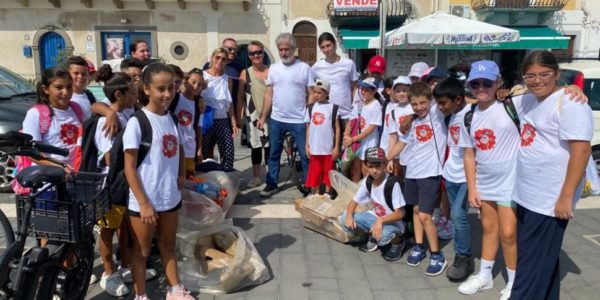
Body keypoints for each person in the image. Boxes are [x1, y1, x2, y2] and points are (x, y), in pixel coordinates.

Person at [510, 51, 592, 300]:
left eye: (544, 74)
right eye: (530, 75)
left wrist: (566, 197)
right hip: (527, 195)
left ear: (557, 73)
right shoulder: (529, 99)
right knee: (541, 262)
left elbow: (582, 149)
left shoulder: (570, 103)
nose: (537, 80)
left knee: (529, 271)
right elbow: (491, 101)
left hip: (548, 200)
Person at [122, 63, 193, 300]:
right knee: (141, 251)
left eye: (171, 88)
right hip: (145, 200)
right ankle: (140, 294)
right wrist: (143, 203)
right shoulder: (137, 122)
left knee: (168, 246)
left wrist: (182, 173)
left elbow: (181, 147)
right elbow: (129, 167)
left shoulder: (172, 118)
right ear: (146, 89)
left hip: (169, 197)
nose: (167, 94)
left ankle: (175, 289)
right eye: (161, 88)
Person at [457, 61, 518, 299]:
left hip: (511, 181)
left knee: (509, 232)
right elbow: (469, 154)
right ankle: (485, 275)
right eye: (476, 83)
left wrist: (571, 89)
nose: (481, 87)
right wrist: (472, 188)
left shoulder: (511, 105)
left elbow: (542, 91)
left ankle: (514, 282)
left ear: (498, 83)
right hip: (485, 181)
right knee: (488, 229)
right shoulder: (469, 115)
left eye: (487, 83)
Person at [385, 82, 448, 276]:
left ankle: (437, 254)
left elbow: (443, 96)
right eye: (414, 104)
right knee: (415, 210)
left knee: (425, 215)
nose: (419, 107)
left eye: (423, 103)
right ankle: (420, 246)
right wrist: (385, 159)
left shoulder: (437, 114)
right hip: (412, 171)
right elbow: (401, 145)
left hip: (430, 173)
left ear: (430, 101)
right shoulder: (411, 122)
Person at [92, 66, 137, 297]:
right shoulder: (107, 122)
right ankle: (108, 272)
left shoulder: (128, 113)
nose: (135, 95)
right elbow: (108, 156)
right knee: (108, 230)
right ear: (119, 95)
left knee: (126, 226)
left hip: (128, 182)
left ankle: (126, 266)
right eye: (131, 92)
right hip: (112, 184)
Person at [256, 33, 314, 197]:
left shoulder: (304, 68)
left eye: (287, 49)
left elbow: (311, 93)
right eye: (281, 49)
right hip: (277, 119)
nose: (284, 53)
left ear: (294, 49)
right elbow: (268, 94)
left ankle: (309, 186)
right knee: (273, 153)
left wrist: (309, 117)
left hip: (299, 120)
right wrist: (262, 117)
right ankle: (271, 184)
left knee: (305, 154)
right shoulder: (273, 68)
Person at [432, 78, 474, 282]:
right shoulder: (450, 115)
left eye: (443, 103)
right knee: (457, 218)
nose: (439, 107)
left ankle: (464, 257)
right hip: (451, 174)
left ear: (458, 99)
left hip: (468, 176)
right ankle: (460, 254)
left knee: (458, 215)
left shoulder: (473, 114)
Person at [340, 147, 406, 261]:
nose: (374, 170)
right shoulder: (368, 180)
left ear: (384, 165)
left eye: (378, 166)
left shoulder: (392, 184)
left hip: (393, 223)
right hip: (375, 218)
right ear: (365, 166)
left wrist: (381, 221)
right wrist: (349, 216)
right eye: (370, 166)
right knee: (344, 217)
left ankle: (399, 242)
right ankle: (373, 235)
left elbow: (400, 213)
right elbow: (354, 201)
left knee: (383, 237)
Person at [22, 66, 82, 172]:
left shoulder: (76, 108)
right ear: (46, 89)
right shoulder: (35, 114)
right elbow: (30, 152)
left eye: (69, 87)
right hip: (48, 180)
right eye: (59, 88)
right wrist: (59, 167)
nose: (66, 92)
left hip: (74, 176)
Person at [237, 40, 271, 188]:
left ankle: (271, 176)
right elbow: (240, 96)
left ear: (263, 53)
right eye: (252, 53)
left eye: (259, 52)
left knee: (270, 146)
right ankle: (256, 176)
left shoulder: (271, 71)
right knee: (256, 146)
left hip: (270, 113)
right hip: (252, 114)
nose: (256, 55)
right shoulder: (245, 73)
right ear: (249, 56)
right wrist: (239, 116)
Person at [201, 48, 237, 169]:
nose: (220, 61)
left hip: (222, 119)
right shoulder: (203, 76)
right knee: (204, 153)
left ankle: (227, 179)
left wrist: (233, 122)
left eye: (223, 59)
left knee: (228, 151)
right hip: (206, 119)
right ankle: (205, 180)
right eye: (217, 57)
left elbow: (229, 102)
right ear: (212, 58)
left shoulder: (227, 79)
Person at [311, 32, 359, 124]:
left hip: (346, 114)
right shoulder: (317, 67)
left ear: (335, 44)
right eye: (323, 47)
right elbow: (311, 87)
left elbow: (355, 87)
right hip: (327, 113)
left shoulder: (349, 64)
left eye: (328, 45)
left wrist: (355, 107)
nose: (326, 49)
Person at [91, 58, 145, 138]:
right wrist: (110, 113)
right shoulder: (114, 101)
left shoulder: (138, 99)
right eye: (133, 76)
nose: (137, 79)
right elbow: (94, 106)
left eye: (140, 76)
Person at [304, 79, 341, 197]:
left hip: (328, 146)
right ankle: (314, 192)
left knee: (328, 171)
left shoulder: (333, 108)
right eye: (315, 92)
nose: (316, 95)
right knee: (315, 171)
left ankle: (327, 192)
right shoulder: (310, 108)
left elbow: (337, 128)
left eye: (319, 92)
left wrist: (336, 147)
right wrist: (307, 145)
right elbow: (308, 127)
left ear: (327, 93)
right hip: (315, 146)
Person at [343, 77, 382, 183]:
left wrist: (353, 139)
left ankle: (369, 193)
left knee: (367, 169)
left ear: (374, 91)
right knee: (355, 169)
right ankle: (356, 193)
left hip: (369, 142)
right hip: (357, 143)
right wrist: (346, 134)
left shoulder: (376, 105)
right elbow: (352, 121)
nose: (363, 92)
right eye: (362, 89)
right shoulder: (358, 104)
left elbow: (371, 128)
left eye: (367, 89)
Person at [174, 68, 205, 176]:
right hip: (174, 148)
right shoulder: (176, 98)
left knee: (189, 179)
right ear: (185, 81)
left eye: (200, 84)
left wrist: (199, 148)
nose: (196, 86)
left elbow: (198, 127)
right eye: (193, 82)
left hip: (190, 148)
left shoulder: (198, 104)